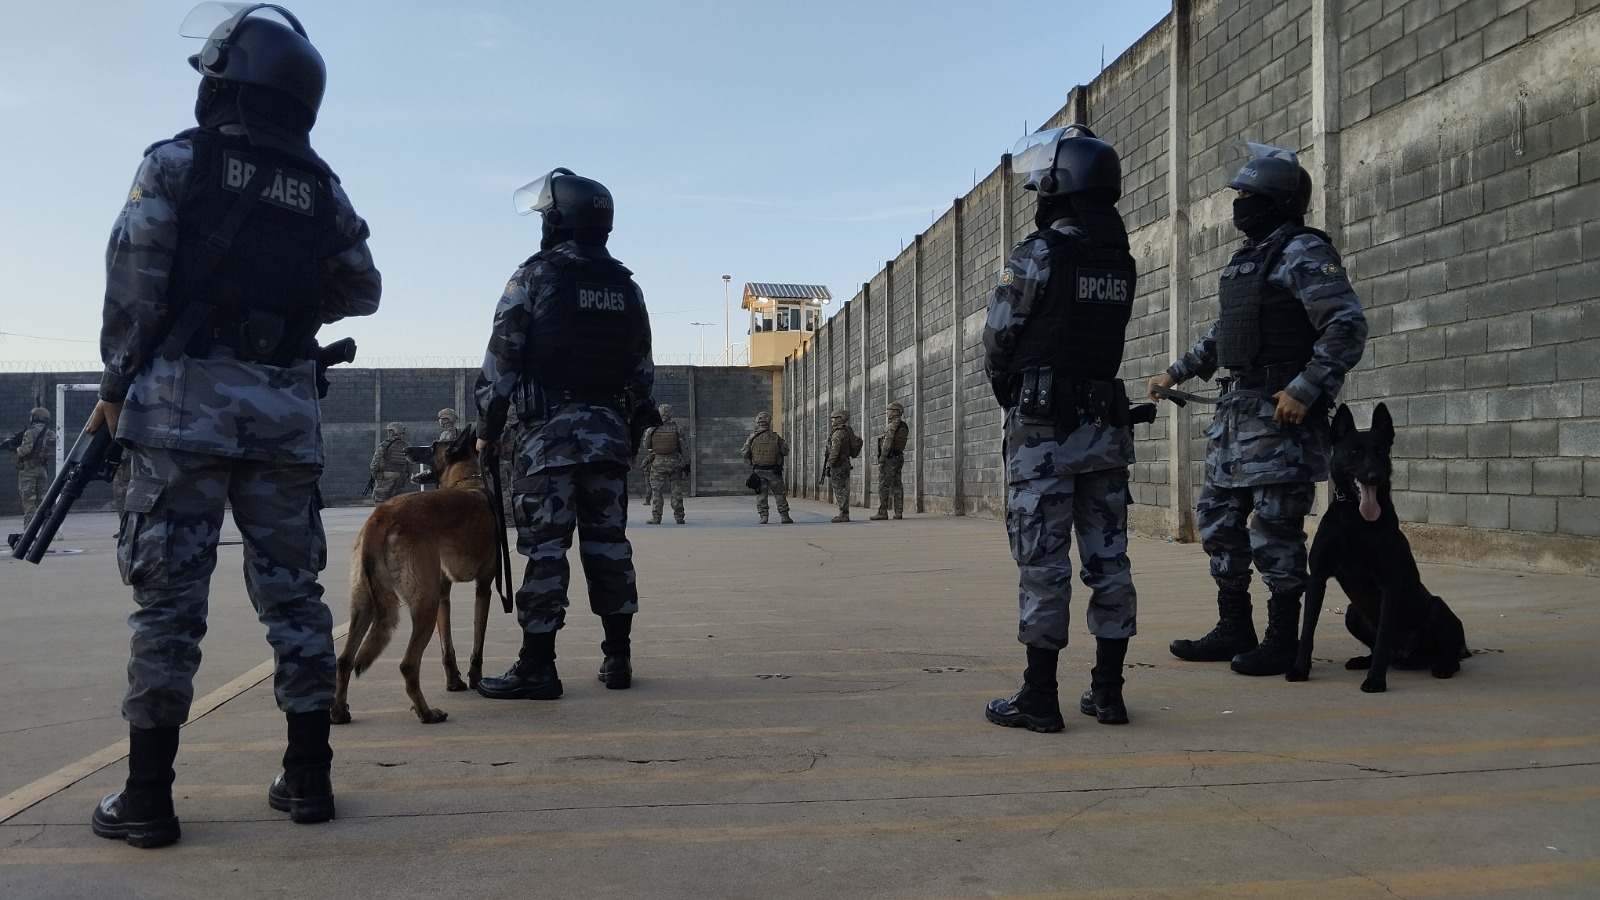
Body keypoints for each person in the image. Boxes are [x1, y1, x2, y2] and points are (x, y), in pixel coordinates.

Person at [85, 3, 381, 849]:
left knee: (168, 605)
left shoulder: (177, 162)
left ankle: (148, 798)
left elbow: (134, 279)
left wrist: (119, 379)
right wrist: (279, 316)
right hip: (285, 417)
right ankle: (309, 779)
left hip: (179, 410)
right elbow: (361, 288)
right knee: (295, 598)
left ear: (228, 79)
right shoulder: (322, 187)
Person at [1151, 142, 1367, 678]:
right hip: (1235, 419)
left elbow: (1346, 324)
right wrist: (1176, 372)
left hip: (1280, 421)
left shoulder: (1303, 252)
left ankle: (1282, 640)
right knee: (1218, 524)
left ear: (1276, 201)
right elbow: (1228, 334)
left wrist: (1306, 388)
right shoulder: (1250, 260)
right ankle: (1235, 627)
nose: (1238, 204)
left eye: (1248, 195)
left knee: (1276, 531)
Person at [981, 125, 1141, 733]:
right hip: (1105, 427)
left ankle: (1039, 696)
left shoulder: (1038, 253)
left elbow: (999, 339)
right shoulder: (1120, 262)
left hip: (1044, 431)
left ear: (1059, 186)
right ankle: (1108, 693)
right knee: (1110, 560)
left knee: (1043, 563)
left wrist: (1010, 392)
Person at [474, 166, 653, 701]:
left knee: (545, 550)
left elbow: (501, 359)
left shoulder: (533, 278)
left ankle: (538, 667)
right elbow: (642, 373)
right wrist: (631, 431)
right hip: (608, 435)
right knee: (609, 546)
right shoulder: (627, 288)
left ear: (557, 221)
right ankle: (617, 657)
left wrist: (488, 428)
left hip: (547, 437)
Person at [740, 410, 792, 524]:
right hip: (774, 471)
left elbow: (744, 454)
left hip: (759, 471)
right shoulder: (776, 437)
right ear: (769, 422)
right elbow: (785, 451)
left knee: (761, 495)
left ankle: (763, 516)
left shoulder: (752, 438)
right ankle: (784, 516)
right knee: (779, 494)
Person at [640, 403, 688, 525]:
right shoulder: (677, 427)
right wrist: (686, 462)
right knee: (676, 490)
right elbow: (684, 446)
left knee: (656, 491)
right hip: (674, 462)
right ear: (671, 413)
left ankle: (656, 517)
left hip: (658, 463)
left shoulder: (652, 428)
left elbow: (646, 445)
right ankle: (679, 516)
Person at [11, 407, 55, 531]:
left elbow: (26, 449)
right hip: (42, 469)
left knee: (29, 502)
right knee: (43, 501)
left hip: (29, 471)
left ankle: (29, 532)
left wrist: (16, 451)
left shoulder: (30, 432)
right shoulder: (50, 432)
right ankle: (47, 530)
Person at [868, 401, 908, 520]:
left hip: (890, 458)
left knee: (883, 485)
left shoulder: (891, 426)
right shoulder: (903, 426)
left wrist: (882, 458)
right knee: (897, 485)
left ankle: (882, 511)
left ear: (895, 412)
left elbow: (887, 443)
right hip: (898, 456)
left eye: (889, 410)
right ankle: (898, 511)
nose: (887, 413)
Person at [823, 409, 861, 523]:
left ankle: (843, 514)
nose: (832, 421)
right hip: (844, 463)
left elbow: (835, 451)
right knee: (843, 488)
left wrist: (829, 465)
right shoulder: (847, 431)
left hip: (838, 465)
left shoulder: (838, 433)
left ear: (840, 418)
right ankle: (844, 513)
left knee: (840, 489)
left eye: (834, 418)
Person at [369, 421, 408, 502]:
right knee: (396, 500)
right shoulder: (406, 446)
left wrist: (374, 474)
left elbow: (375, 463)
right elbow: (410, 464)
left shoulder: (384, 446)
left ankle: (383, 514)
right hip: (401, 476)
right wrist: (405, 475)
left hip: (387, 476)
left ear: (391, 432)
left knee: (379, 498)